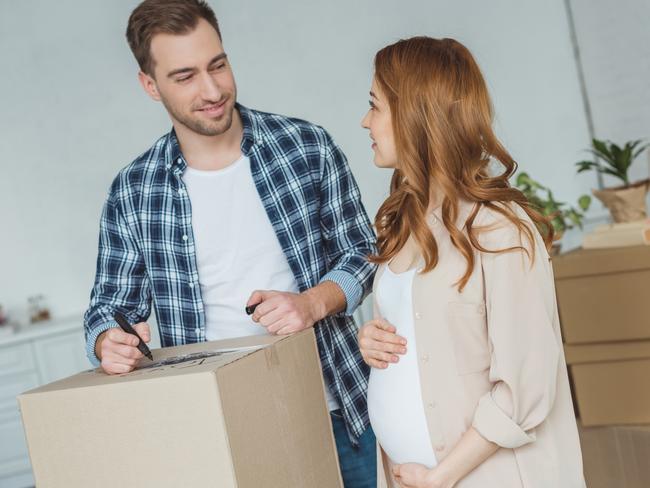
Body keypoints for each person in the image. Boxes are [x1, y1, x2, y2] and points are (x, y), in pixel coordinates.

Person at [83, 1, 377, 485]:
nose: (213, 89)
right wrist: (107, 342)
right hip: (213, 427)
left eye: (217, 64)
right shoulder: (135, 190)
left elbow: (362, 252)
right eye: (185, 76)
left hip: (339, 411)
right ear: (150, 86)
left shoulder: (306, 146)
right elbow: (107, 308)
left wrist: (311, 304)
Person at [358, 36, 586, 488]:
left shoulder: (498, 231)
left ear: (416, 117)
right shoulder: (406, 221)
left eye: (375, 106)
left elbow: (526, 387)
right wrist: (376, 341)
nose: (365, 122)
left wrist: (440, 478)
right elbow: (432, 337)